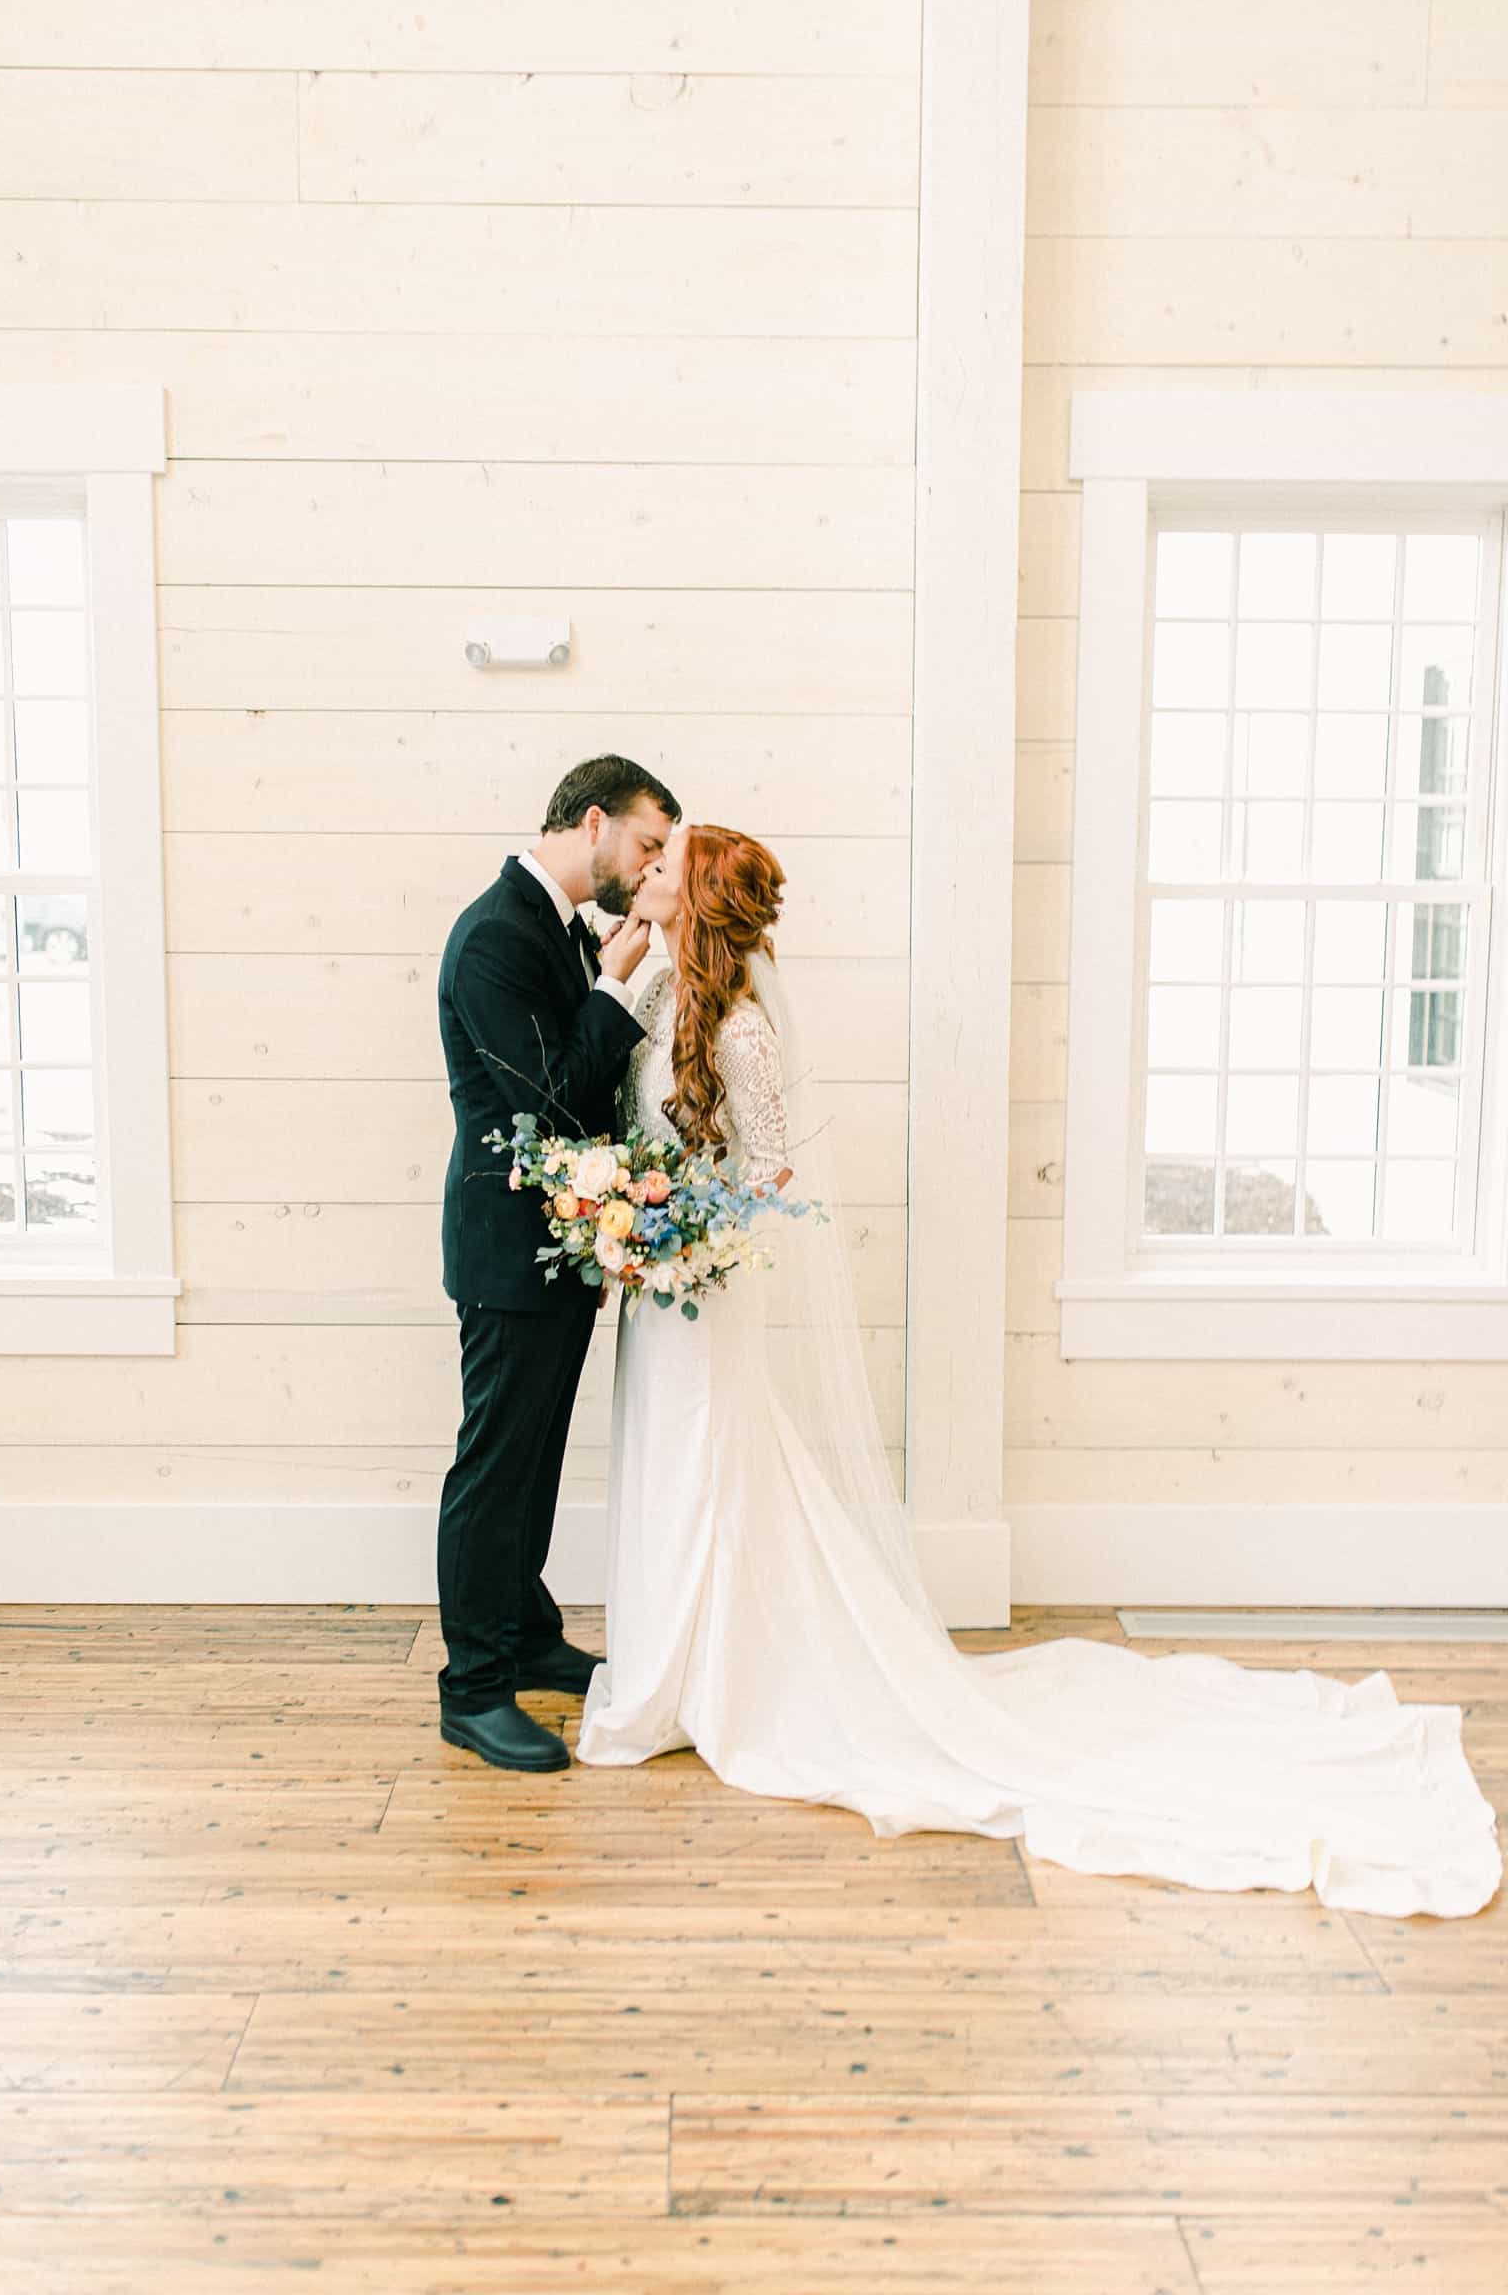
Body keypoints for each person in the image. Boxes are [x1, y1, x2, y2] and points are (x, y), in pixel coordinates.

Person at [576, 824, 1503, 1920]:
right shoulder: (648, 998)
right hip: (656, 1298)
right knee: (667, 1465)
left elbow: (773, 1169)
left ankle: (720, 1678)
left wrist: (694, 1230)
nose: (646, 875)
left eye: (664, 866)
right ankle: (670, 1672)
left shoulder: (741, 1030)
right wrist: (625, 1205)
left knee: (710, 1469)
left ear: (701, 896)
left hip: (708, 1291)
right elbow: (605, 1089)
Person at [435, 755, 680, 1773]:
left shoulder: (554, 927)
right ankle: (472, 1687)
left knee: (533, 1459)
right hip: (507, 1247)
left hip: (559, 1245)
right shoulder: (498, 933)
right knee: (495, 1466)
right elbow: (549, 1101)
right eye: (649, 844)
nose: (655, 866)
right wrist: (618, 987)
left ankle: (527, 1632)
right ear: (593, 824)